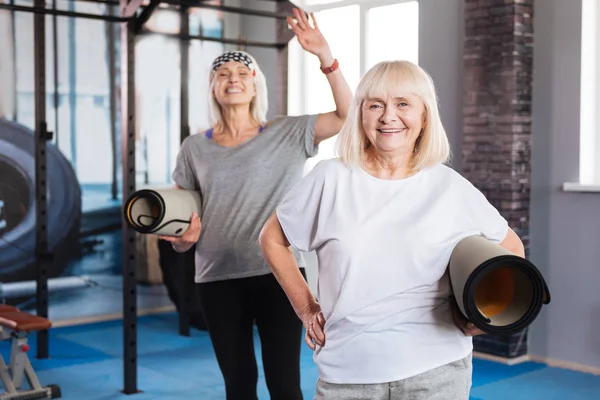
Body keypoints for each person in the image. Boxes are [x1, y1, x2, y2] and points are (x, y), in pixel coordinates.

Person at [258, 60, 526, 400]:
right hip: (348, 373)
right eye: (375, 105)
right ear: (361, 114)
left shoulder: (449, 187)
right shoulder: (331, 179)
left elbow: (512, 249)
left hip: (437, 371)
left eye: (403, 104)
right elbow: (272, 238)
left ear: (424, 115)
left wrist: (479, 312)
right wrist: (306, 307)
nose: (388, 116)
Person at [159, 7, 352, 400]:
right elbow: (183, 224)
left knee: (284, 384)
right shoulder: (194, 147)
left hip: (277, 276)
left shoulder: (288, 132)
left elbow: (349, 116)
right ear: (213, 86)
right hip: (215, 278)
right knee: (239, 384)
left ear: (255, 85)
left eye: (242, 73)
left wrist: (325, 58)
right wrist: (181, 241)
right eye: (223, 74)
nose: (233, 79)